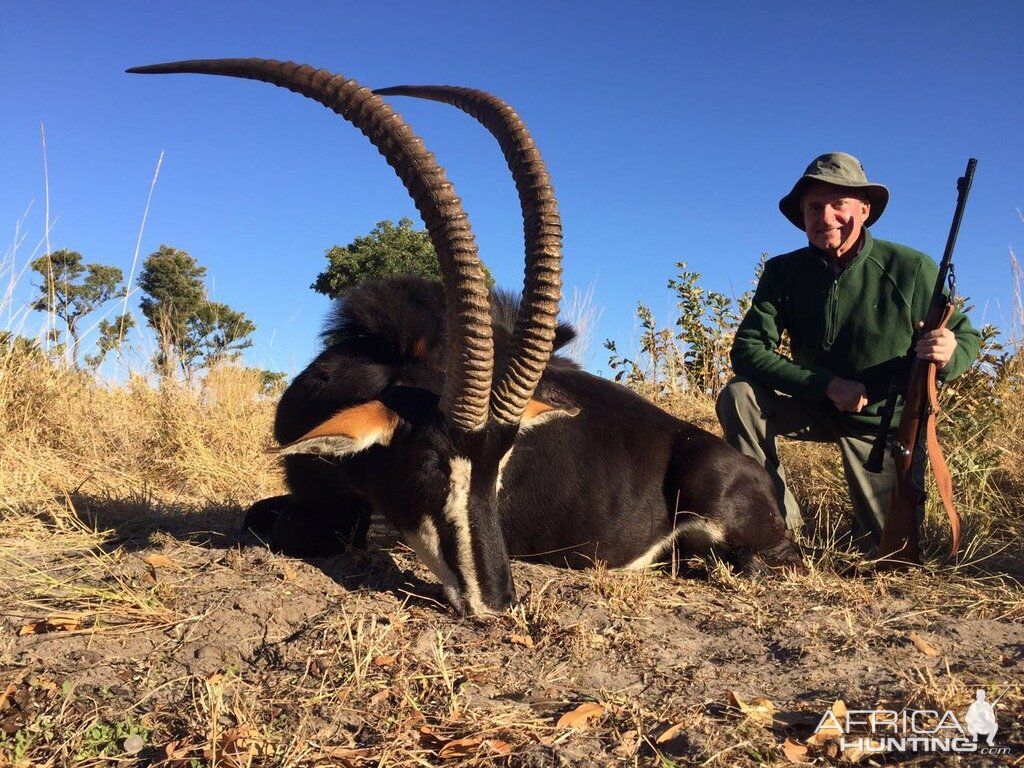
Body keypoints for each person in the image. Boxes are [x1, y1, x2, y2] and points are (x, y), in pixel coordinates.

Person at [715, 152, 981, 550]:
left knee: (893, 552)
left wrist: (949, 351)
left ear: (864, 209)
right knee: (739, 396)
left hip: (881, 424)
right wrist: (826, 385)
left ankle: (871, 534)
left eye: (839, 204)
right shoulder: (782, 272)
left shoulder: (912, 267)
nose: (826, 217)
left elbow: (964, 338)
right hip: (816, 403)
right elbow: (748, 350)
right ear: (802, 216)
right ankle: (777, 529)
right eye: (814, 207)